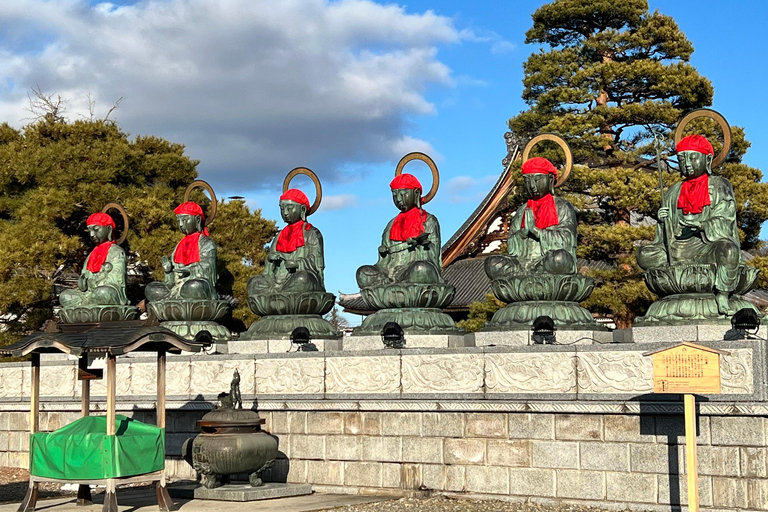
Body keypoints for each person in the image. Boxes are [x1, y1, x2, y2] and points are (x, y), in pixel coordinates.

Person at [637, 134, 742, 315]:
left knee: (729, 251)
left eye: (693, 158)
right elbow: (665, 233)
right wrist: (663, 220)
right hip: (678, 247)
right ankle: (675, 282)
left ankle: (723, 293)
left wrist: (701, 225)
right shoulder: (674, 191)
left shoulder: (720, 185)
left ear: (707, 159)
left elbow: (726, 218)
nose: (687, 163)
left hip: (707, 246)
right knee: (644, 254)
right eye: (681, 159)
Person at [485, 157, 577, 280]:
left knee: (560, 259)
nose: (532, 185)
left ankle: (537, 272)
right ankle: (531, 273)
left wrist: (537, 232)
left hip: (548, 261)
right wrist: (522, 234)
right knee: (492, 264)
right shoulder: (522, 210)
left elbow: (568, 240)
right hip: (522, 263)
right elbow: (512, 247)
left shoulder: (562, 207)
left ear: (550, 180)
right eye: (528, 181)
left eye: (537, 180)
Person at [356, 173, 443, 288]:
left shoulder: (428, 221)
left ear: (416, 193)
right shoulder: (392, 224)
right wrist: (383, 253)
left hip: (414, 270)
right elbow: (384, 263)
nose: (398, 199)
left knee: (421, 269)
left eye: (403, 194)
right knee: (363, 272)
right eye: (394, 195)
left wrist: (420, 245)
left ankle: (397, 287)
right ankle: (393, 287)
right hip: (390, 272)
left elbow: (434, 255)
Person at [247, 189, 325, 296]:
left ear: (302, 209)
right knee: (253, 283)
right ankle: (280, 294)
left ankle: (279, 295)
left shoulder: (311, 233)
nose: (285, 213)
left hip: (299, 278)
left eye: (290, 208)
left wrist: (297, 264)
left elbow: (317, 263)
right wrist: (271, 259)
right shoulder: (280, 235)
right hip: (278, 280)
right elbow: (269, 268)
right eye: (282, 209)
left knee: (302, 279)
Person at [145, 202, 218, 302]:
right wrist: (168, 271)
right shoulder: (179, 245)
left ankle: (177, 303)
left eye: (185, 220)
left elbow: (209, 270)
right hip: (176, 288)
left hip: (194, 286)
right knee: (151, 289)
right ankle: (175, 302)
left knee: (194, 286)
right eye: (178, 220)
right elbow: (171, 281)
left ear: (197, 219)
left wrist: (189, 269)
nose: (181, 224)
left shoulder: (206, 243)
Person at [60, 212, 129, 307]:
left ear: (108, 229)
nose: (92, 234)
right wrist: (82, 283)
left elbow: (117, 281)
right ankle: (89, 306)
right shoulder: (91, 255)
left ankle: (86, 307)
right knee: (65, 296)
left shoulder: (117, 252)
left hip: (105, 293)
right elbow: (84, 282)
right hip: (89, 294)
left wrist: (95, 282)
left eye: (96, 229)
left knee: (103, 292)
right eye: (89, 230)